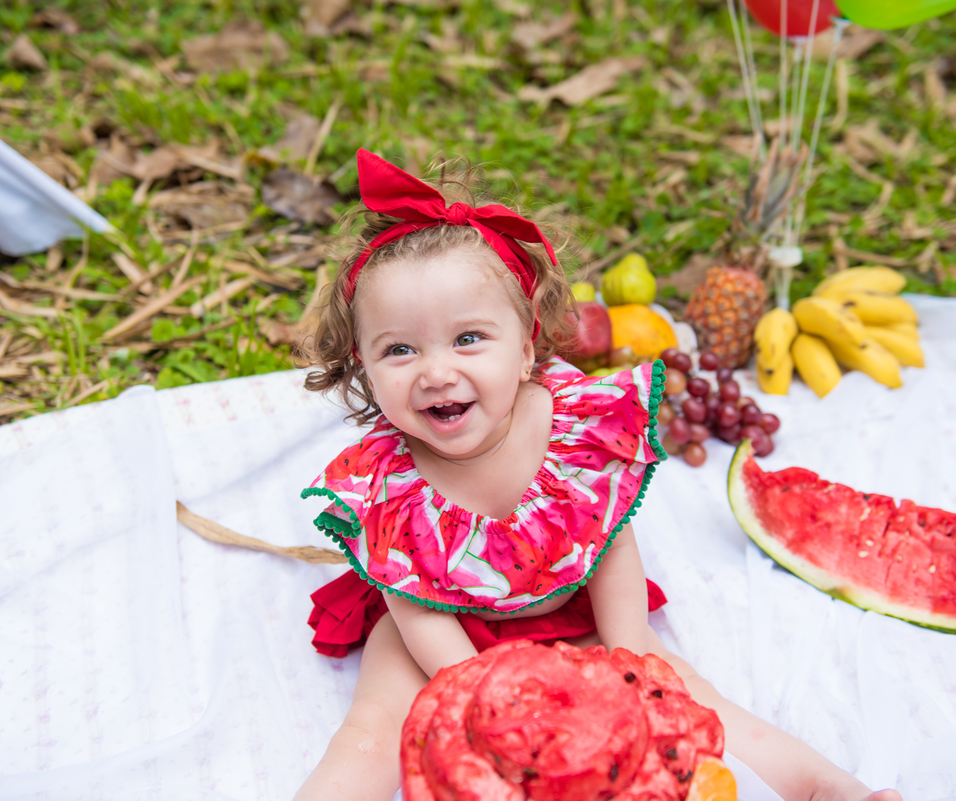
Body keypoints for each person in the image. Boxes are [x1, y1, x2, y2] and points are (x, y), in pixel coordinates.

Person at [292, 149, 902, 801]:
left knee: (685, 692)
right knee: (374, 729)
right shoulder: (384, 477)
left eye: (469, 338)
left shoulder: (569, 423)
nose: (436, 371)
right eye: (400, 350)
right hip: (442, 632)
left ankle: (827, 787)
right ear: (362, 362)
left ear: (527, 343)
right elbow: (412, 601)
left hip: (570, 599)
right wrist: (480, 696)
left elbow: (608, 542)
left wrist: (628, 652)